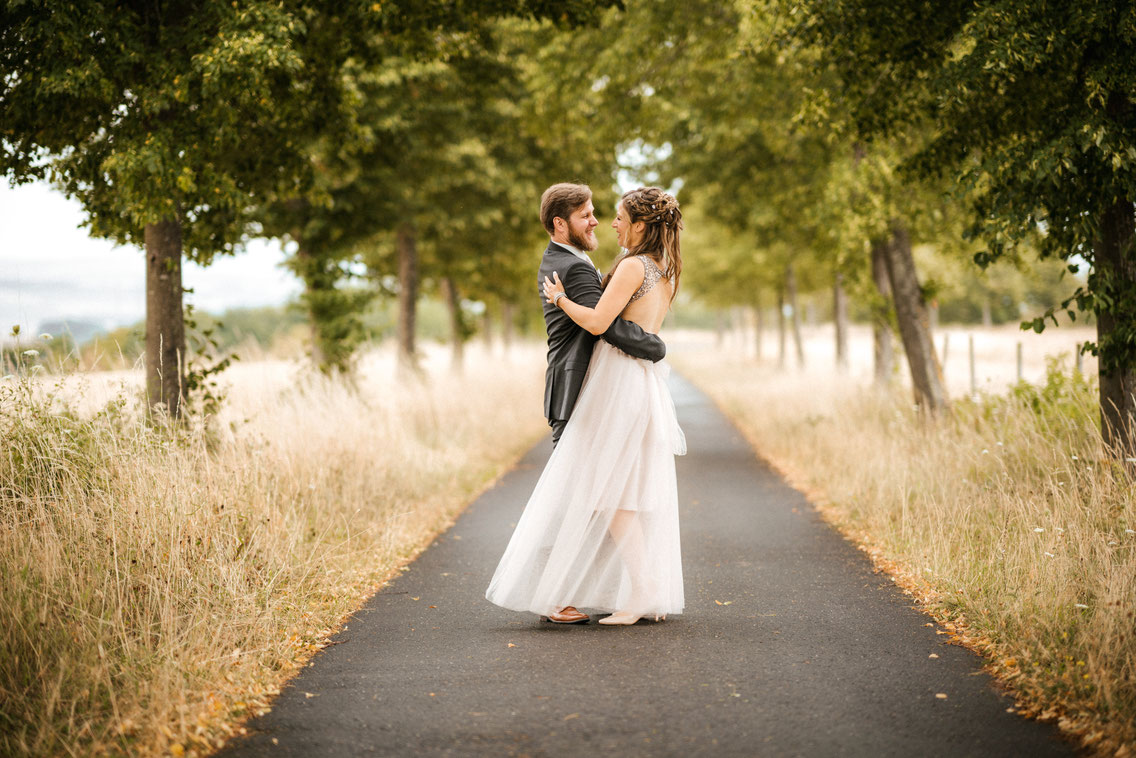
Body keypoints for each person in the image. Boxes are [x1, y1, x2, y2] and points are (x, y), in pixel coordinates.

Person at [485, 186, 686, 626]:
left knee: (601, 493)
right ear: (561, 223)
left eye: (615, 216)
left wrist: (561, 300)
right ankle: (640, 590)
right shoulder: (664, 271)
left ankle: (617, 592)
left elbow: (601, 324)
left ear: (640, 224)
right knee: (617, 493)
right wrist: (654, 346)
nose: (606, 223)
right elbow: (625, 325)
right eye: (592, 214)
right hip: (637, 384)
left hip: (616, 385)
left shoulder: (630, 266)